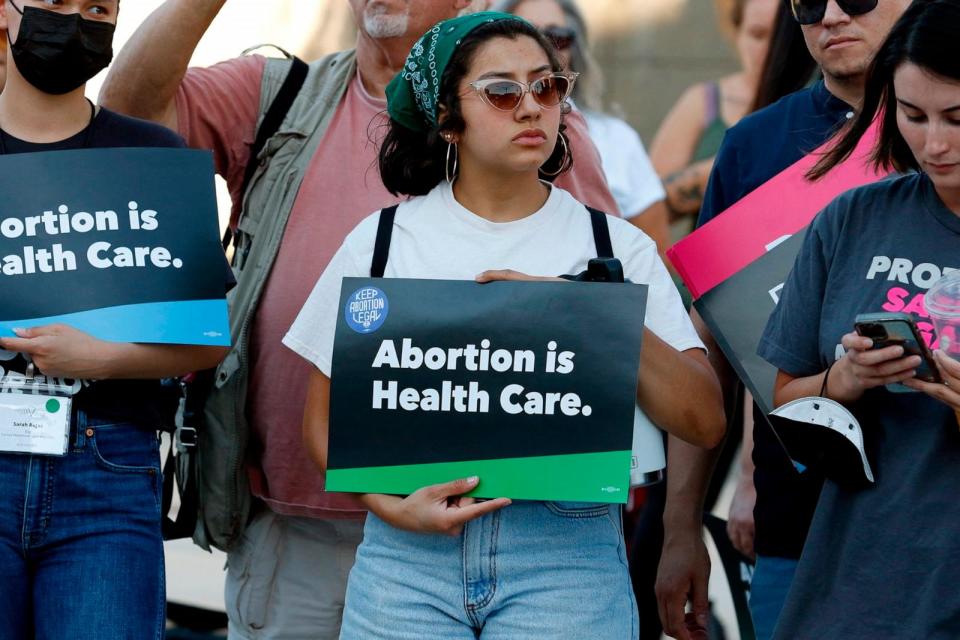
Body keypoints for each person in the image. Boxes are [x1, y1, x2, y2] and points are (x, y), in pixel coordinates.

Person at [100, 1, 622, 637]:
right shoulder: (276, 92)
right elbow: (124, 114)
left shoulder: (543, 133)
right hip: (294, 525)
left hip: (476, 533)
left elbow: (604, 326)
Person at [284, 13, 725, 638]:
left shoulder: (616, 246)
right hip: (406, 564)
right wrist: (391, 509)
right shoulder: (380, 243)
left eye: (547, 88)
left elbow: (703, 419)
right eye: (501, 91)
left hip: (567, 557)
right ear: (445, 118)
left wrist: (589, 318)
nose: (531, 109)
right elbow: (323, 426)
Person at [654, 2, 912, 639]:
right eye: (805, 1)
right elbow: (712, 340)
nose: (829, 15)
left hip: (931, 513)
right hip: (795, 517)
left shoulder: (940, 136)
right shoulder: (754, 143)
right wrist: (680, 525)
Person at [0, 0, 229, 638]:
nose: (74, 20)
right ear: (7, 13)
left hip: (106, 473)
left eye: (97, 6)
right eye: (53, 3)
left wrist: (100, 358)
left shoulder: (150, 152)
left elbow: (204, 341)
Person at [759, 3, 960, 636]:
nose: (934, 143)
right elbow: (785, 400)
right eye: (913, 115)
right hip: (858, 581)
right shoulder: (851, 219)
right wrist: (843, 380)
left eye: (958, 118)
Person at [492, 0, 672, 253]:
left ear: (574, 48)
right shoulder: (481, 134)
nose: (542, 50)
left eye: (557, 37)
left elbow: (655, 252)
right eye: (526, 35)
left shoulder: (616, 138)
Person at [649, 0, 778, 232]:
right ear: (736, 34)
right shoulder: (703, 100)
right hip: (716, 261)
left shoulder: (822, 100)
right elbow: (647, 206)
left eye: (783, 37)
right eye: (758, 35)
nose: (772, 49)